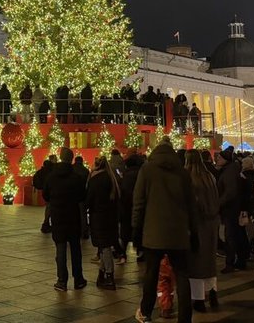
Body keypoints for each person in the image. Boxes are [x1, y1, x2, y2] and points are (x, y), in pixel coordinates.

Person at [132, 137, 198, 323]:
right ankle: (185, 318)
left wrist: (136, 231)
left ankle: (145, 312)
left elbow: (138, 203)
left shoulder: (147, 170)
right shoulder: (183, 173)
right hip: (178, 232)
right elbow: (191, 205)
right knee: (183, 275)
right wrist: (194, 233)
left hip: (154, 232)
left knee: (151, 274)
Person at [43, 147, 88, 292]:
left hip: (58, 216)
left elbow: (45, 195)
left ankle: (62, 280)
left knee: (60, 249)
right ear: (71, 159)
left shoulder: (52, 176)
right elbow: (82, 197)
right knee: (75, 249)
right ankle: (78, 279)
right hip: (73, 217)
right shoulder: (76, 177)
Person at [185, 150, 220, 313]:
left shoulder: (189, 179)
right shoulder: (210, 177)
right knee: (209, 260)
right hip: (212, 223)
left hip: (197, 224)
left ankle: (198, 299)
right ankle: (213, 292)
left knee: (196, 263)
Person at [86, 156, 120, 290]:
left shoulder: (95, 180)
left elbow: (88, 200)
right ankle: (101, 274)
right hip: (111, 217)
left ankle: (109, 276)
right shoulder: (112, 179)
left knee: (104, 247)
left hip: (99, 218)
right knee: (104, 246)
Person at [215, 146, 248, 273]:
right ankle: (240, 260)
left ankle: (231, 262)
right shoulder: (232, 169)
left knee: (230, 236)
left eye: (220, 157)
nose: (217, 159)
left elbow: (230, 192)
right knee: (237, 235)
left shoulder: (228, 172)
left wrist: (219, 203)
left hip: (230, 209)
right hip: (234, 208)